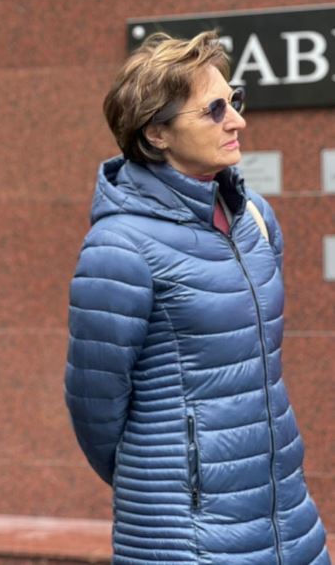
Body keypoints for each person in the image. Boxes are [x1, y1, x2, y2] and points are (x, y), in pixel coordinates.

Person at [65, 31, 330, 563]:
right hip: (185, 533)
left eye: (235, 101)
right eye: (214, 110)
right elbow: (95, 406)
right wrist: (178, 476)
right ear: (156, 132)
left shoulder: (254, 218)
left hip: (285, 515)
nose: (237, 121)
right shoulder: (118, 248)